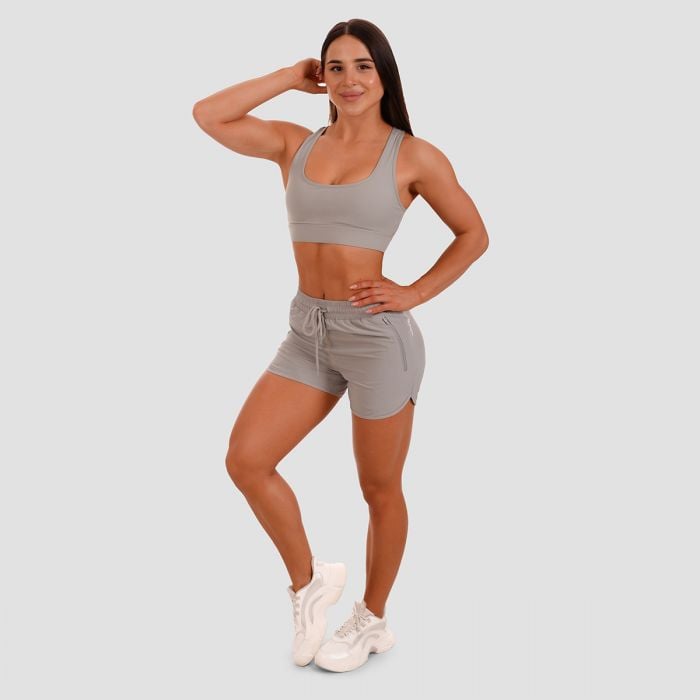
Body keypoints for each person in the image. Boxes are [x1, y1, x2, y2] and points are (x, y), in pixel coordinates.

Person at [193, 18, 489, 672]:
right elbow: (208, 114)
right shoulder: (294, 144)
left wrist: (412, 292)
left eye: (362, 66)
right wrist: (287, 76)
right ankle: (309, 583)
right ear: (320, 76)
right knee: (247, 459)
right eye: (335, 67)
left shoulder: (414, 156)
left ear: (384, 75)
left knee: (379, 488)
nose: (349, 79)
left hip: (377, 340)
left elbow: (473, 234)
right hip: (308, 332)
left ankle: (372, 619)